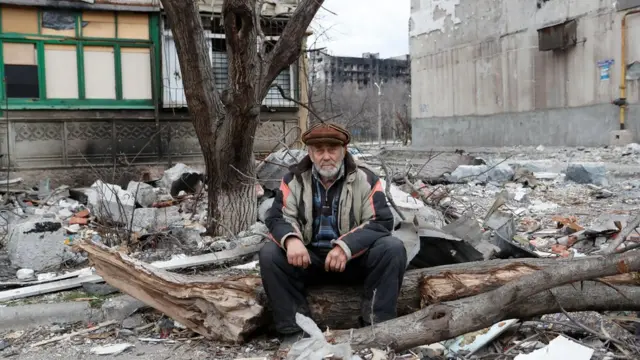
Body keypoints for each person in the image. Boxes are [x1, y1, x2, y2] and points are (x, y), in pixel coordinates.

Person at [259, 122, 407, 343]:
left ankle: (378, 329)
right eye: (319, 150)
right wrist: (291, 240)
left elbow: (380, 221)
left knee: (392, 248)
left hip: (352, 261)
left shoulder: (365, 178)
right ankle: (294, 332)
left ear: (344, 150)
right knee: (270, 254)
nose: (326, 156)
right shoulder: (294, 179)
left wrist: (346, 247)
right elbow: (278, 217)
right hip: (309, 260)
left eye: (332, 150)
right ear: (310, 153)